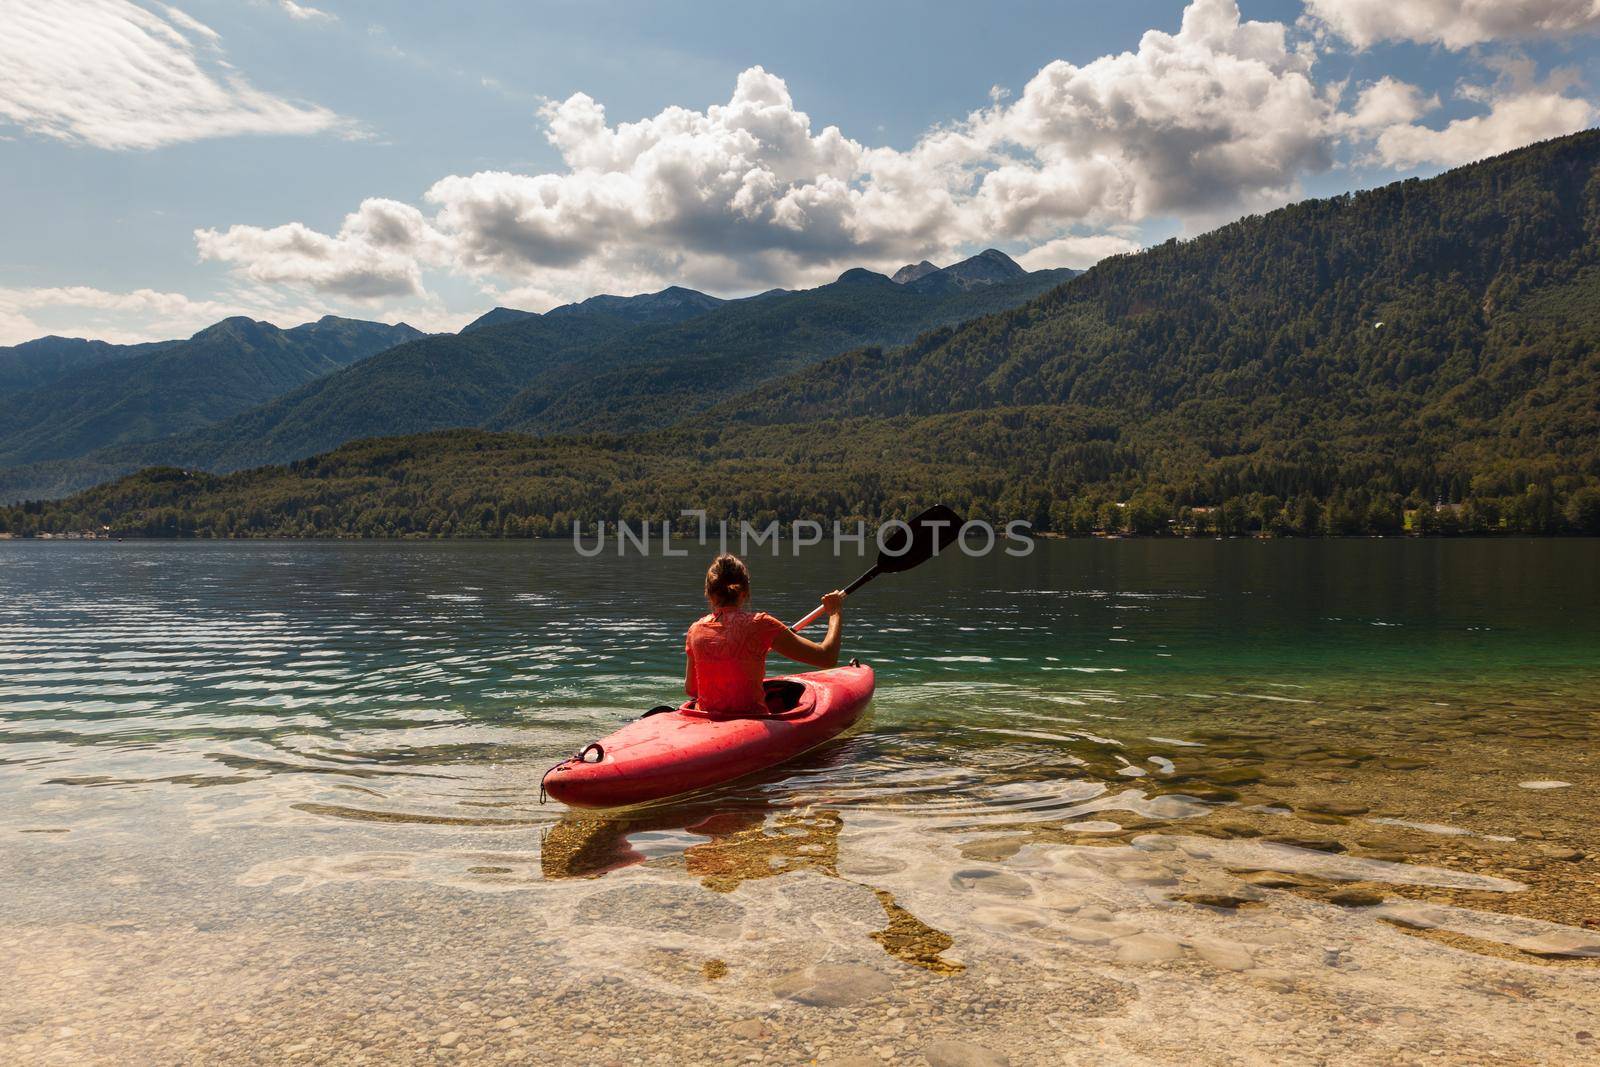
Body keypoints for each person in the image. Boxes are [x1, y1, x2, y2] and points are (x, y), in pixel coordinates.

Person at [685, 553, 846, 714]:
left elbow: (692, 689)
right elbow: (827, 658)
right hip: (752, 719)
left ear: (709, 594)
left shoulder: (695, 629)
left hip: (705, 718)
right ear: (744, 592)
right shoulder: (761, 624)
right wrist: (834, 613)